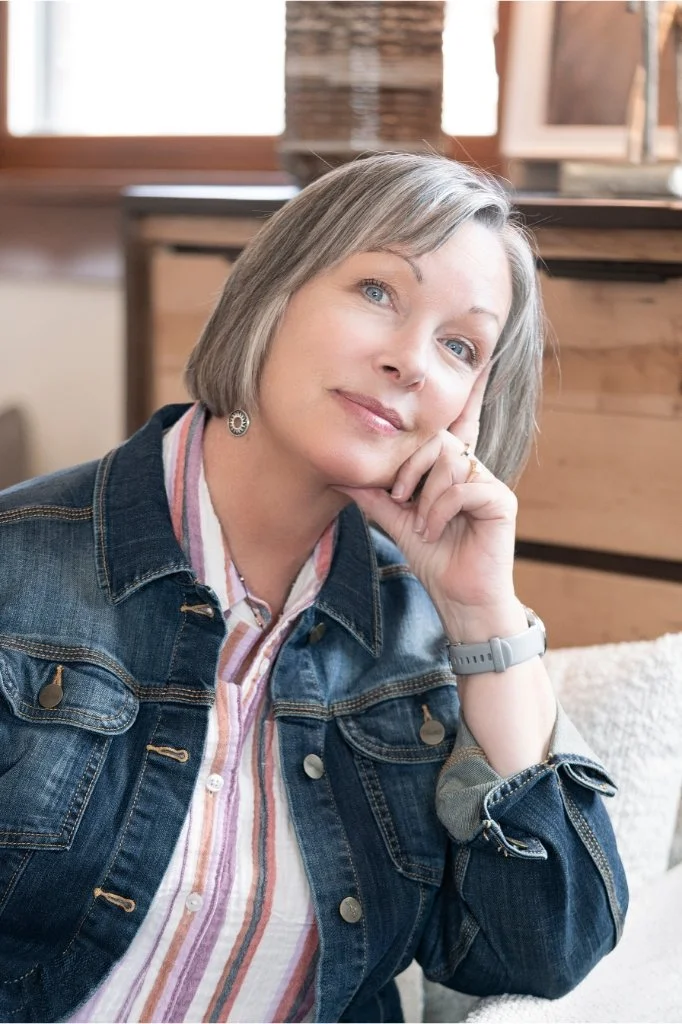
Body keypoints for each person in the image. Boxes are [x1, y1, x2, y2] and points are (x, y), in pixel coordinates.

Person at [0, 153, 627, 1024]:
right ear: (273, 292)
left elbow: (546, 950)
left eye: (459, 346)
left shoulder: (430, 645)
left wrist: (483, 615)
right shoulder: (17, 565)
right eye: (377, 291)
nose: (410, 360)